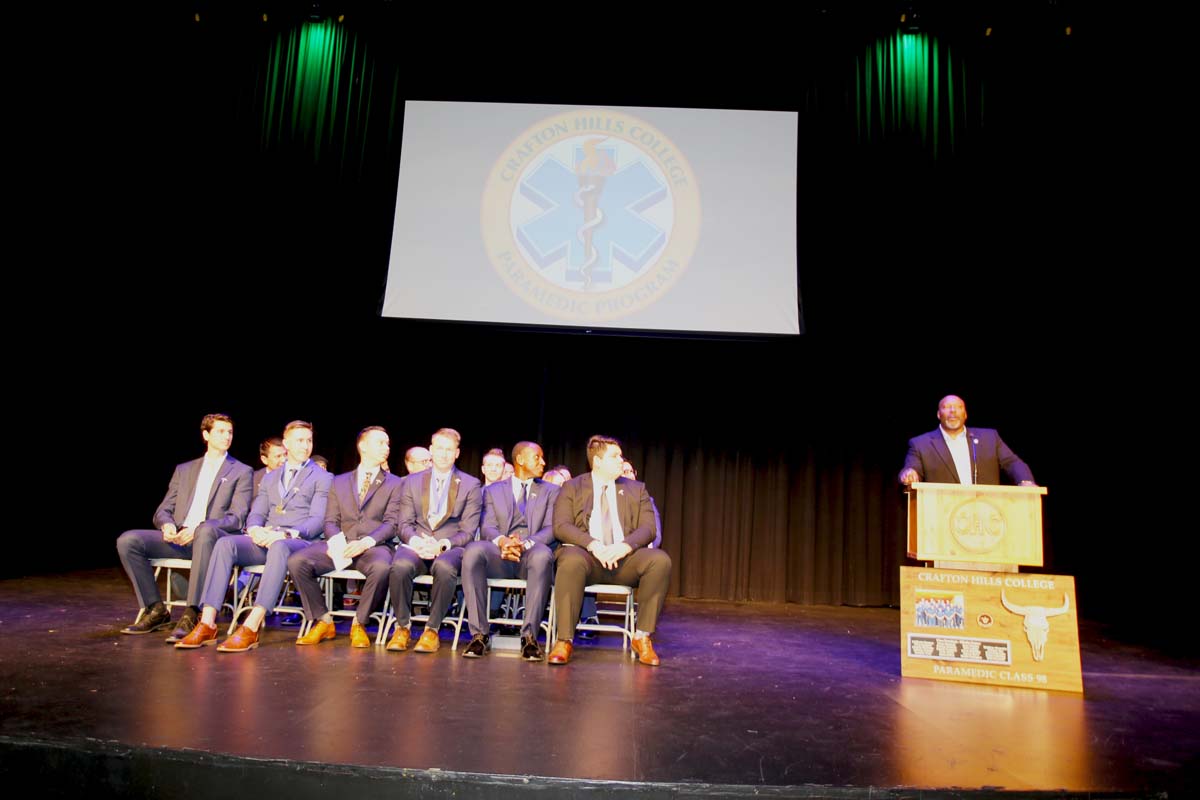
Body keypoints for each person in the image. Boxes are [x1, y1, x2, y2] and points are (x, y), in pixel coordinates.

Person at [176, 420, 332, 653]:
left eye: (309, 440)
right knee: (226, 543)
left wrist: (285, 533)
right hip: (266, 536)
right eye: (300, 440)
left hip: (299, 540)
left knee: (279, 546)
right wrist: (256, 529)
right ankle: (207, 621)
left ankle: (252, 624)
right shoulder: (270, 477)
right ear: (286, 443)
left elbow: (317, 520)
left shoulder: (322, 477)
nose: (306, 445)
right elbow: (256, 513)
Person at [115, 414, 253, 640]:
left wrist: (198, 529)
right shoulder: (185, 469)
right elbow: (163, 509)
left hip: (210, 540)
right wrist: (167, 525)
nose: (227, 436)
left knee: (205, 532)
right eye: (220, 431)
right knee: (128, 540)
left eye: (229, 432)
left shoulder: (241, 471)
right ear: (205, 435)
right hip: (179, 537)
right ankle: (155, 609)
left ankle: (194, 612)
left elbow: (236, 518)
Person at [549, 435, 671, 666]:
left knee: (659, 560)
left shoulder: (636, 489)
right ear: (597, 461)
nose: (620, 461)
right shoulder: (572, 487)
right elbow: (561, 526)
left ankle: (642, 636)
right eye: (615, 456)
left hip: (625, 559)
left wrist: (624, 547)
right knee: (570, 560)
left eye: (621, 456)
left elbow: (649, 528)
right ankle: (564, 639)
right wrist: (593, 544)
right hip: (587, 557)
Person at [287, 426, 402, 648]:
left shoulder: (395, 483)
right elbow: (330, 520)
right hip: (342, 543)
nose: (386, 448)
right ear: (363, 446)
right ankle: (323, 620)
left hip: (373, 545)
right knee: (297, 561)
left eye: (387, 444)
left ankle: (359, 623)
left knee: (382, 568)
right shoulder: (339, 481)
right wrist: (336, 543)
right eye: (380, 443)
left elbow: (392, 523)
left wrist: (366, 542)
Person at [385, 428, 482, 653]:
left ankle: (432, 629)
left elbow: (468, 530)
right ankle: (402, 627)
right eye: (440, 448)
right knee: (399, 565)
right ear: (431, 450)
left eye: (450, 450)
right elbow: (404, 523)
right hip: (417, 543)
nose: (444, 454)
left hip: (450, 546)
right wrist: (417, 542)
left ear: (457, 453)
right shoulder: (411, 482)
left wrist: (442, 545)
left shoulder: (470, 484)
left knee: (445, 567)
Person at [460, 441, 559, 661]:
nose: (543, 462)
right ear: (520, 460)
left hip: (531, 554)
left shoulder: (552, 491)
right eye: (538, 457)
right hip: (500, 555)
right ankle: (479, 634)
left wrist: (525, 544)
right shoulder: (492, 491)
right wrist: (504, 541)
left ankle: (530, 637)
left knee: (543, 555)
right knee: (474, 551)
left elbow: (552, 528)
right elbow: (486, 526)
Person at [898, 395, 1035, 486]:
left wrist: (1026, 480)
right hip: (941, 515)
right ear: (939, 414)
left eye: (959, 407)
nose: (953, 411)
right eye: (946, 407)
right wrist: (909, 474)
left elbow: (1012, 462)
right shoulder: (921, 444)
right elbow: (911, 469)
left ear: (965, 414)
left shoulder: (989, 438)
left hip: (987, 512)